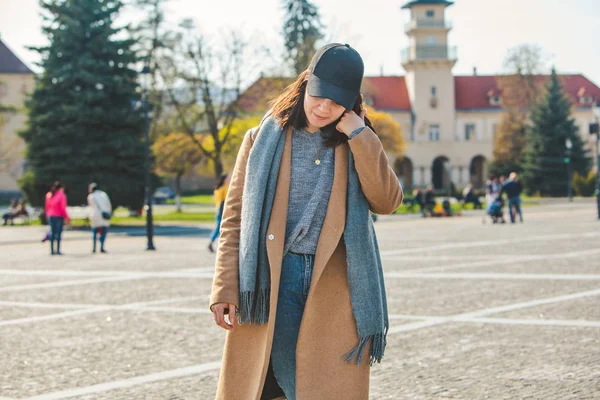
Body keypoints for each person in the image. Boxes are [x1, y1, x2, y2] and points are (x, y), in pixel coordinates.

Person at [209, 43, 403, 399]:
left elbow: (387, 201)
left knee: (318, 384)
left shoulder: (353, 144)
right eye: (320, 96)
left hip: (333, 286)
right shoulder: (260, 141)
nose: (324, 108)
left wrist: (361, 135)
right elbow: (233, 219)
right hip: (273, 280)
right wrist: (224, 288)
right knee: (292, 381)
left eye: (336, 102)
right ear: (306, 85)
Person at [45, 181, 70, 255]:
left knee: (52, 232)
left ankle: (52, 250)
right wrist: (67, 218)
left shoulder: (49, 195)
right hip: (59, 216)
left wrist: (47, 215)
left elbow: (47, 207)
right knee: (58, 233)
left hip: (50, 216)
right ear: (61, 188)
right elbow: (63, 208)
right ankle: (58, 250)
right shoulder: (62, 195)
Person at [87, 183, 112, 253]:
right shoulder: (104, 194)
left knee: (94, 231)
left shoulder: (91, 196)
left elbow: (91, 206)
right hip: (104, 214)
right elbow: (108, 205)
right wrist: (108, 213)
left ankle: (94, 247)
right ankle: (102, 246)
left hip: (95, 215)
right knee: (104, 231)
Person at [208, 173, 229, 253]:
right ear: (224, 179)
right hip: (222, 210)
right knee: (220, 228)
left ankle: (213, 242)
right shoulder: (225, 188)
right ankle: (213, 243)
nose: (230, 179)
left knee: (219, 228)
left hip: (218, 209)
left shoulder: (218, 189)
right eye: (228, 178)